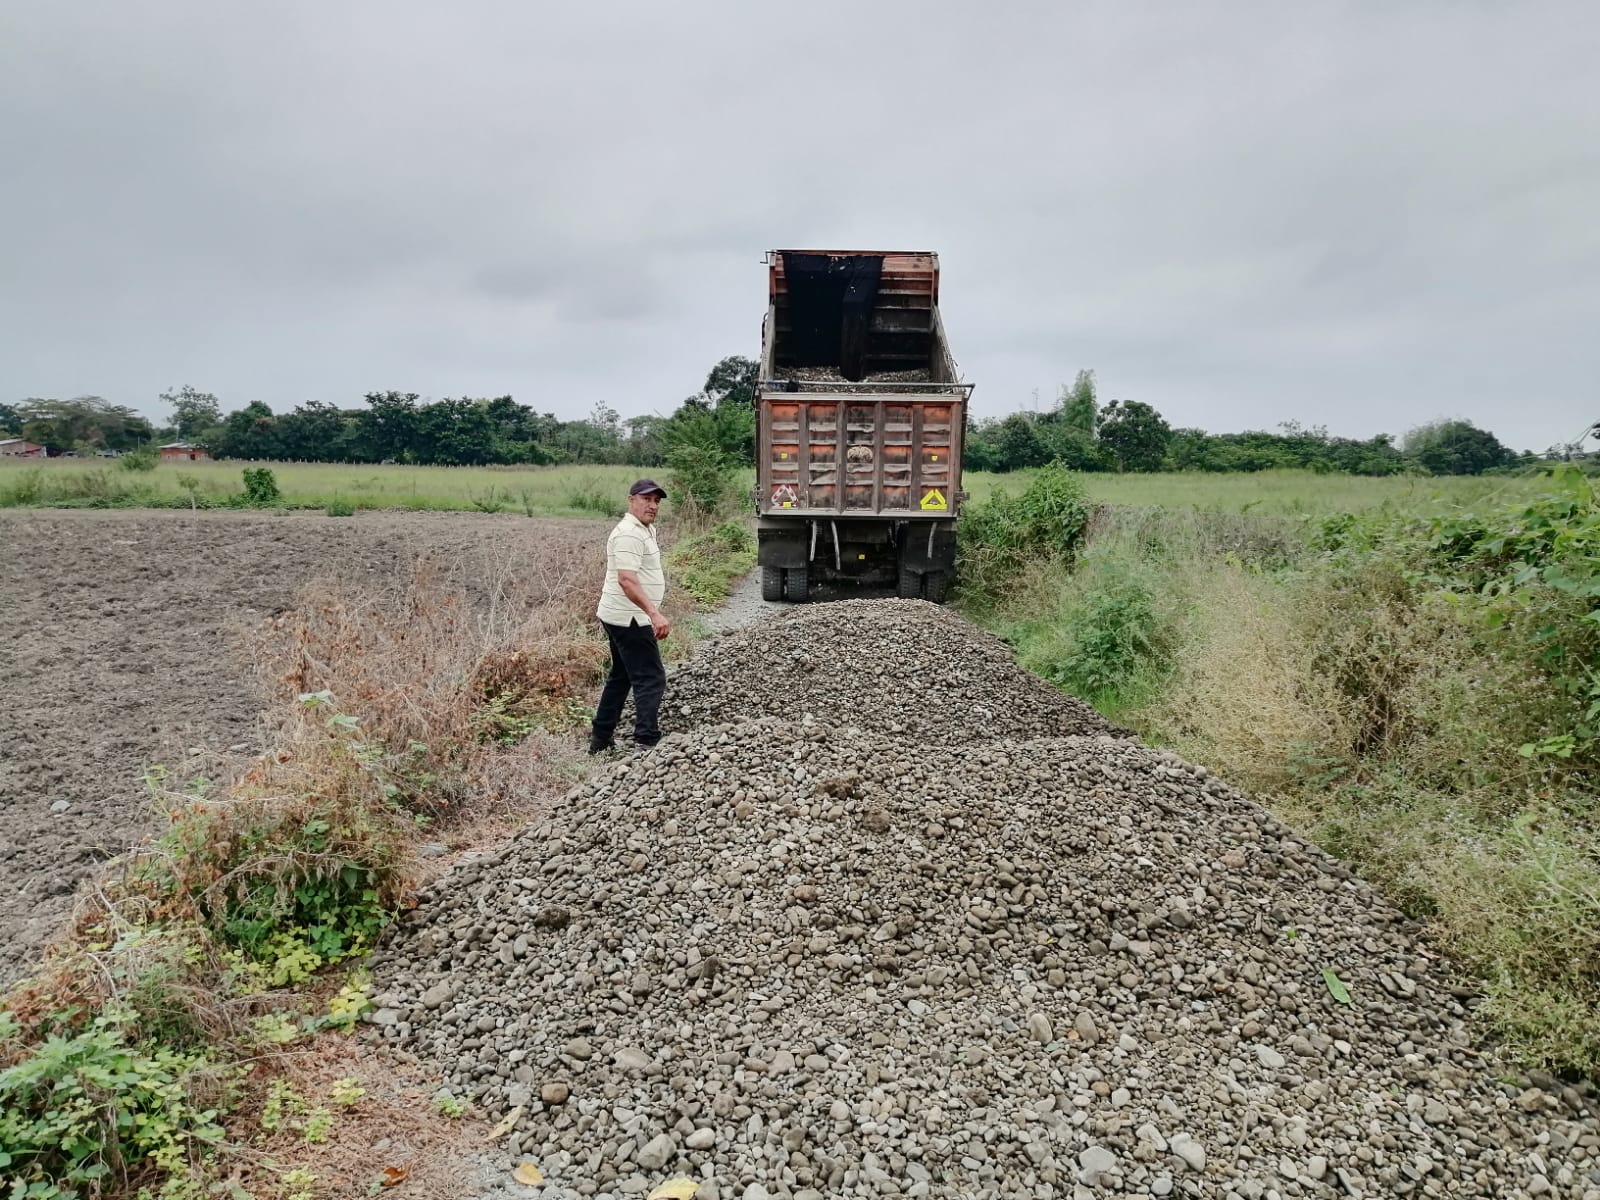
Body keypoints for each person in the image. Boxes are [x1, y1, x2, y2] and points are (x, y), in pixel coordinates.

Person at [590, 479, 671, 754]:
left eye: (656, 501)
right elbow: (626, 580)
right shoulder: (629, 533)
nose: (653, 505)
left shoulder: (644, 529)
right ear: (631, 500)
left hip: (620, 615)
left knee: (622, 675)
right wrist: (654, 613)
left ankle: (600, 740)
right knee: (651, 677)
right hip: (631, 618)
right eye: (647, 499)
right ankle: (646, 741)